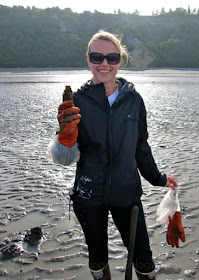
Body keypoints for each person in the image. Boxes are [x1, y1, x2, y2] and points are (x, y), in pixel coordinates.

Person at [49, 30, 178, 280]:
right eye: (97, 57)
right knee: (97, 256)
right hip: (88, 195)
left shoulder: (134, 100)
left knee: (142, 255)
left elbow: (141, 148)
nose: (104, 64)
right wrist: (65, 137)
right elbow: (64, 158)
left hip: (127, 193)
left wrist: (159, 178)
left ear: (120, 61)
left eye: (112, 58)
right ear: (88, 59)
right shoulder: (77, 101)